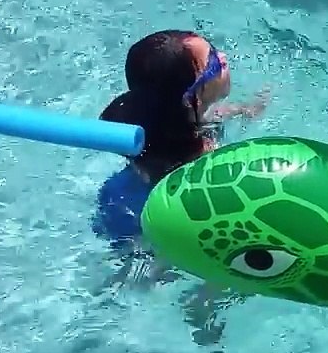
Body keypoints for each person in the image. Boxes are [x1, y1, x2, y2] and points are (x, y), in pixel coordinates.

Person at [92, 29, 270, 250]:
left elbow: (217, 115)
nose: (223, 57)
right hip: (142, 216)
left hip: (122, 191)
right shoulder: (205, 165)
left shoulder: (167, 119)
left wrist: (248, 109)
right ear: (190, 99)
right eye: (214, 63)